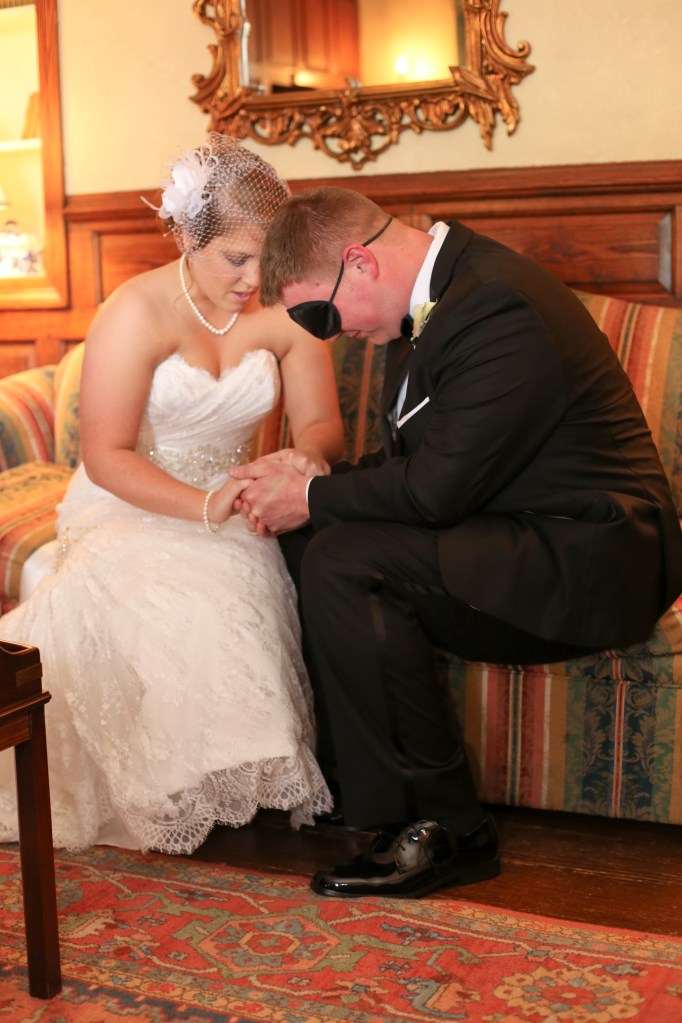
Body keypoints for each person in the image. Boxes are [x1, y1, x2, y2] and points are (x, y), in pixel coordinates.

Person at [230, 186, 682, 899]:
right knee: (306, 538)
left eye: (321, 314)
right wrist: (310, 487)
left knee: (346, 561)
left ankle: (449, 829)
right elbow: (425, 466)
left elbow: (435, 491)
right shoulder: (444, 296)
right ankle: (361, 783)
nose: (328, 334)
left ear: (359, 262)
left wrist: (312, 495)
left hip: (592, 557)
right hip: (515, 527)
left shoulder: (497, 304)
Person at [0, 137, 345, 855]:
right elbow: (106, 455)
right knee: (161, 595)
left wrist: (303, 457)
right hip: (129, 499)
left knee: (237, 587)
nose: (255, 279)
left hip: (239, 500)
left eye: (268, 258)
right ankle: (160, 792)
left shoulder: (286, 303)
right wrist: (205, 507)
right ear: (189, 237)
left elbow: (321, 425)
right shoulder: (136, 311)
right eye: (236, 259)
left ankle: (214, 787)